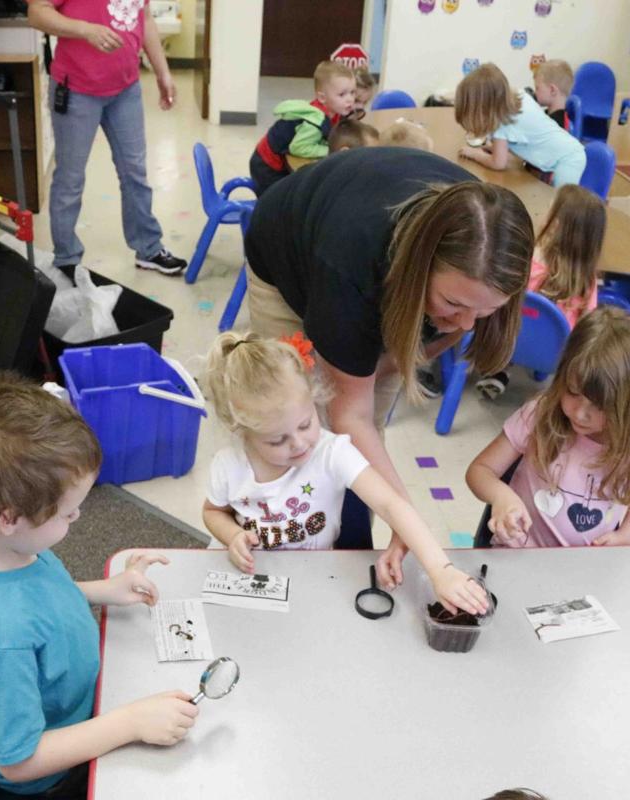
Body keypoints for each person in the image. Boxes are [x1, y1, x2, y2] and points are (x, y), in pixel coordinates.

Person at [243, 146, 534, 583]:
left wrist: (397, 515)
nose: (468, 324)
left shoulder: (483, 256)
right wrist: (411, 523)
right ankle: (281, 553)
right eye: (453, 303)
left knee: (360, 435)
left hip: (375, 280)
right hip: (290, 252)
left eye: (487, 310)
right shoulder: (352, 262)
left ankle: (351, 545)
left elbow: (370, 409)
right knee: (292, 429)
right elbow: (348, 413)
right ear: (420, 269)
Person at [0, 373, 198, 797]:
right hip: (50, 774)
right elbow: (19, 760)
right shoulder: (2, 639)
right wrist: (130, 724)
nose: (76, 519)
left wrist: (101, 590)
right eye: (67, 513)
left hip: (72, 700)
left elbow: (36, 598)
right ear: (10, 518)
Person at [200, 331, 490, 617]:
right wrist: (233, 535)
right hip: (247, 581)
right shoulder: (229, 465)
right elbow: (213, 512)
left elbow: (392, 504)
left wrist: (442, 571)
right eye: (277, 440)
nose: (300, 444)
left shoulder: (332, 452)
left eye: (305, 424)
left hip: (313, 579)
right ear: (242, 432)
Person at [466, 307, 630, 547]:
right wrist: (501, 496)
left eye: (601, 405)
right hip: (517, 557)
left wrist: (629, 532)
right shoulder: (540, 414)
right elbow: (480, 470)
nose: (580, 413)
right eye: (573, 392)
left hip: (585, 569)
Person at [26, 0, 188, 276]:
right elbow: (37, 12)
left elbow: (144, 17)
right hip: (76, 88)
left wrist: (163, 72)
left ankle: (148, 248)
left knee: (135, 172)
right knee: (70, 178)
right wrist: (85, 30)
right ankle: (66, 258)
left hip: (126, 88)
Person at [476, 184, 605, 400]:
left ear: (554, 224)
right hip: (555, 356)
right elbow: (587, 323)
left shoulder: (528, 259)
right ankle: (508, 371)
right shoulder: (587, 281)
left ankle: (499, 367)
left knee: (514, 312)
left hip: (505, 339)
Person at [456, 63, 586, 187]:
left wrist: (473, 154)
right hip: (568, 152)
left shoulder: (503, 123)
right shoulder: (521, 97)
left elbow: (498, 163)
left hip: (568, 159)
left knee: (562, 201)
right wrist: (494, 148)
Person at [248, 60, 357, 195]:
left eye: (352, 92)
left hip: (272, 159)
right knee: (280, 201)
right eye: (342, 94)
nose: (350, 99)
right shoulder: (314, 123)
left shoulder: (332, 111)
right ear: (322, 98)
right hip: (267, 165)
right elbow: (298, 147)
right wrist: (330, 150)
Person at [534, 59, 574, 131]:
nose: (535, 92)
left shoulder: (555, 125)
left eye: (537, 88)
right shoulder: (546, 116)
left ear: (552, 90)